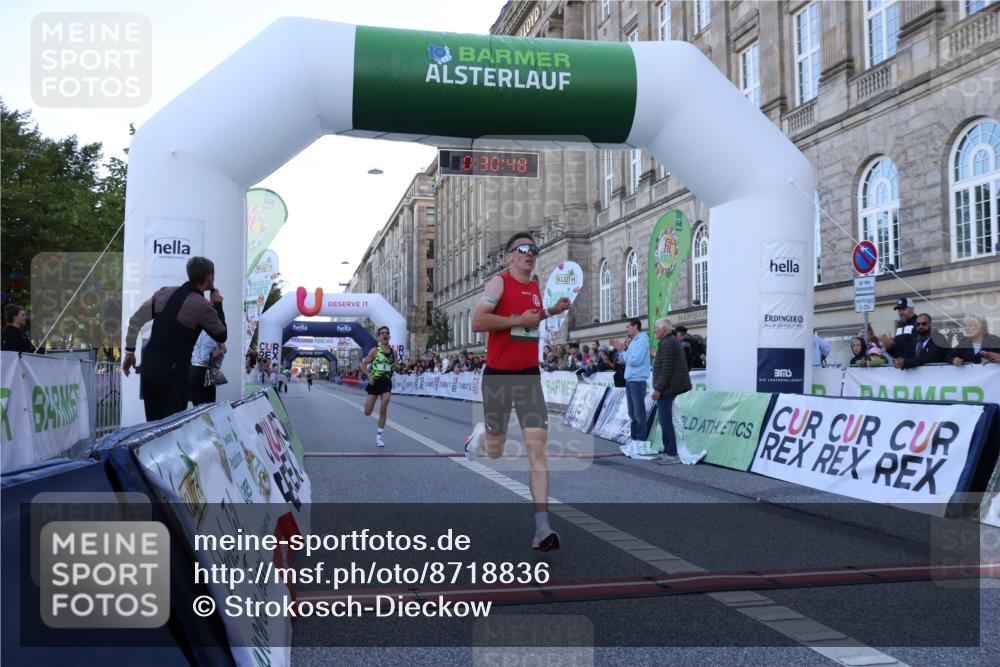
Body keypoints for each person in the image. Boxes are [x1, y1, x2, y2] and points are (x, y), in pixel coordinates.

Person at [464, 231, 571, 551]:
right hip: (498, 376)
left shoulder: (535, 287)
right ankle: (479, 437)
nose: (530, 253)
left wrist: (552, 310)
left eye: (534, 249)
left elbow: (531, 319)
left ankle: (542, 529)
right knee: (494, 450)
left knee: (537, 451)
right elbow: (478, 322)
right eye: (523, 249)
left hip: (528, 377)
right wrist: (515, 320)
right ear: (509, 256)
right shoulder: (499, 283)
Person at [123, 256, 226, 421]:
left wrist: (129, 352)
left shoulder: (163, 292)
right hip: (173, 374)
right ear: (210, 278)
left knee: (153, 427)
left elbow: (135, 320)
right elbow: (221, 334)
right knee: (171, 431)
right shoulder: (203, 306)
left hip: (149, 368)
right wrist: (218, 304)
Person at [650, 318, 691, 465]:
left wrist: (658, 389)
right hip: (667, 387)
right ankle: (668, 451)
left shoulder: (668, 343)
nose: (654, 331)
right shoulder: (668, 342)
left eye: (656, 328)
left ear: (664, 329)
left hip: (667, 389)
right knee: (664, 420)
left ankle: (672, 454)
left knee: (666, 421)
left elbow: (666, 370)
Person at [611, 318, 652, 459]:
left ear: (636, 326)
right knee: (632, 412)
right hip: (630, 379)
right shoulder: (634, 341)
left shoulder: (642, 340)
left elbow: (635, 361)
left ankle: (640, 441)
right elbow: (629, 359)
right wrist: (622, 352)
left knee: (639, 413)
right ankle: (634, 440)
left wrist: (622, 350)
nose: (627, 329)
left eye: (628, 326)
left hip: (638, 380)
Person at [360, 326, 396, 447]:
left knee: (384, 406)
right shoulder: (375, 350)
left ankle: (379, 438)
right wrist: (369, 375)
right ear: (379, 337)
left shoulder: (393, 352)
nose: (385, 335)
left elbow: (396, 366)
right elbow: (362, 365)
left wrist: (398, 367)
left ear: (389, 336)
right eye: (382, 333)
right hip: (375, 382)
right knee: (367, 412)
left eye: (387, 333)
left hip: (386, 382)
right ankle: (369, 407)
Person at [189, 331, 226, 405]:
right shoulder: (209, 334)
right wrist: (221, 352)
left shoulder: (201, 332)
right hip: (202, 373)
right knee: (206, 407)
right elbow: (205, 358)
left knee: (199, 407)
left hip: (196, 372)